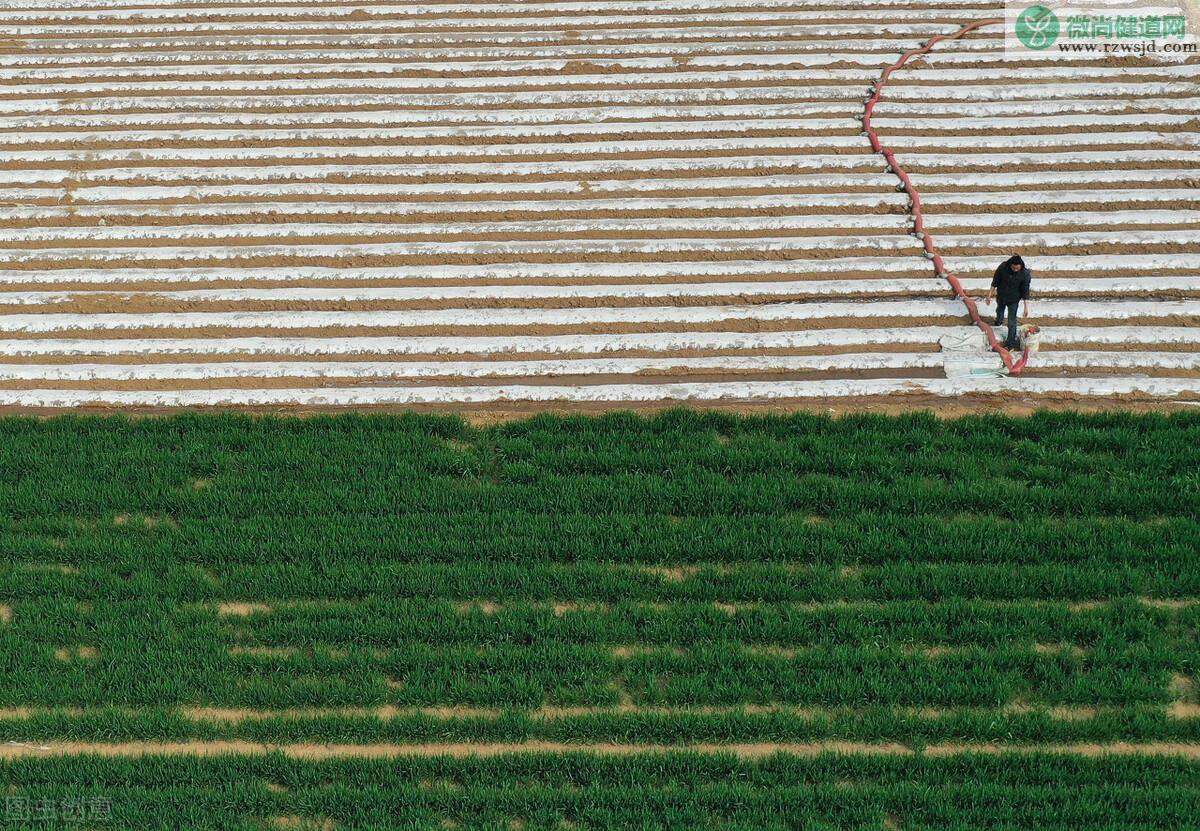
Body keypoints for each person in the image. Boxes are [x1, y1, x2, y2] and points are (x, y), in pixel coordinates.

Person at [986, 254, 1032, 350]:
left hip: (1013, 300)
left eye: (1017, 268)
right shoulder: (1003, 267)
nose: (1015, 270)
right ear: (1010, 265)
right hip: (1001, 296)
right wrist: (989, 295)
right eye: (1014, 268)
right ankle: (998, 322)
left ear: (1021, 266)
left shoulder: (1025, 274)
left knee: (1012, 321)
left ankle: (1010, 343)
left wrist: (1026, 307)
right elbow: (995, 281)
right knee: (999, 311)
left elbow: (1025, 291)